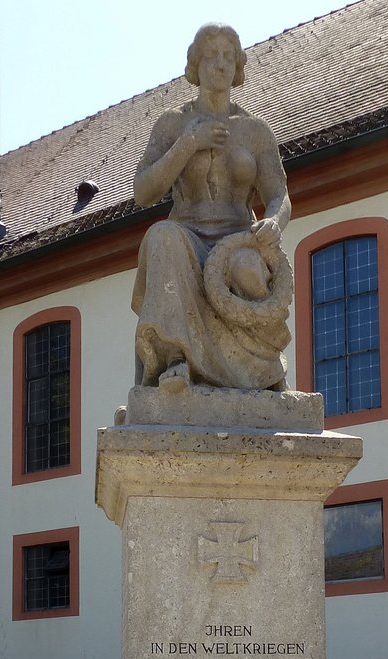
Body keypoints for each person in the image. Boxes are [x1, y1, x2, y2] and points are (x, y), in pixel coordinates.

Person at [131, 24, 293, 393]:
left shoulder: (254, 130)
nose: (220, 63)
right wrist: (188, 144)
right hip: (187, 235)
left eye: (228, 56)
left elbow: (279, 193)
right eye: (210, 55)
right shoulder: (173, 123)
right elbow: (143, 191)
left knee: (249, 268)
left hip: (238, 238)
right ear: (196, 64)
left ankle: (265, 373)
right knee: (162, 238)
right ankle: (176, 361)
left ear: (237, 66)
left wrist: (273, 221)